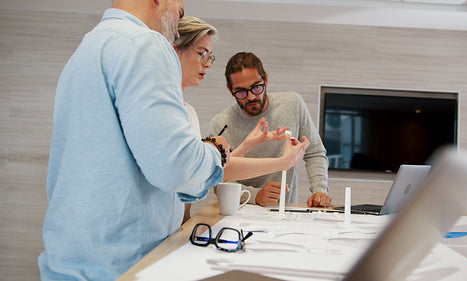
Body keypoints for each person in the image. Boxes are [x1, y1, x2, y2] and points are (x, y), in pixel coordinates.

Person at [38, 1, 232, 280]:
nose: (178, 22)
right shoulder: (145, 43)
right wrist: (214, 153)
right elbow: (175, 167)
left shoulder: (88, 48)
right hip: (122, 267)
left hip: (71, 264)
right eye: (178, 9)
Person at [173, 17, 311, 222]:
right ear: (175, 51)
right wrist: (285, 161)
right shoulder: (167, 110)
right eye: (202, 53)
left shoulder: (188, 111)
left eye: (210, 56)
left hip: (178, 225)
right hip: (159, 232)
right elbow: (201, 180)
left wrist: (245, 146)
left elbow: (211, 173)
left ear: (266, 79)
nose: (208, 64)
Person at [210, 52, 333, 207]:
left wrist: (320, 190)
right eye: (241, 92)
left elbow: (315, 152)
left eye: (256, 87)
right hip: (241, 211)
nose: (251, 97)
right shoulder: (221, 124)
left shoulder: (293, 104)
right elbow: (218, 179)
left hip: (284, 211)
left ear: (266, 79)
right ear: (230, 89)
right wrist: (256, 195)